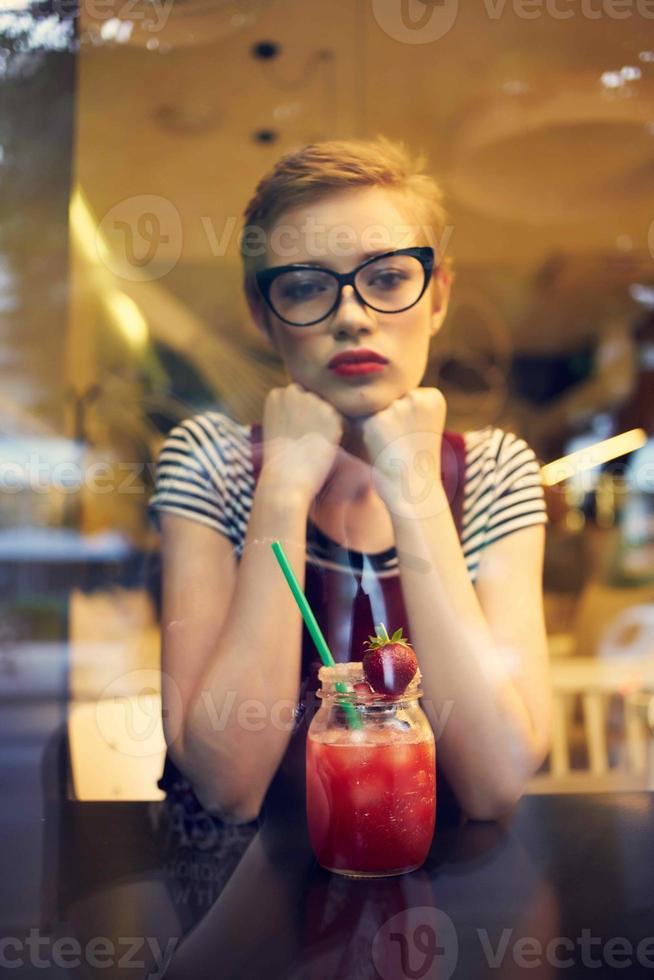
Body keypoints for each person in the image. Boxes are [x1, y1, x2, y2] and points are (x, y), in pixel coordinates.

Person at [148, 136, 551, 835]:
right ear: (263, 317)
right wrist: (281, 493)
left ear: (438, 298)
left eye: (389, 277)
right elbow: (226, 783)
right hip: (247, 904)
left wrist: (414, 484)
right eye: (304, 286)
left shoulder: (494, 471)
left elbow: (495, 780)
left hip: (445, 897)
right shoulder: (210, 462)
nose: (351, 316)